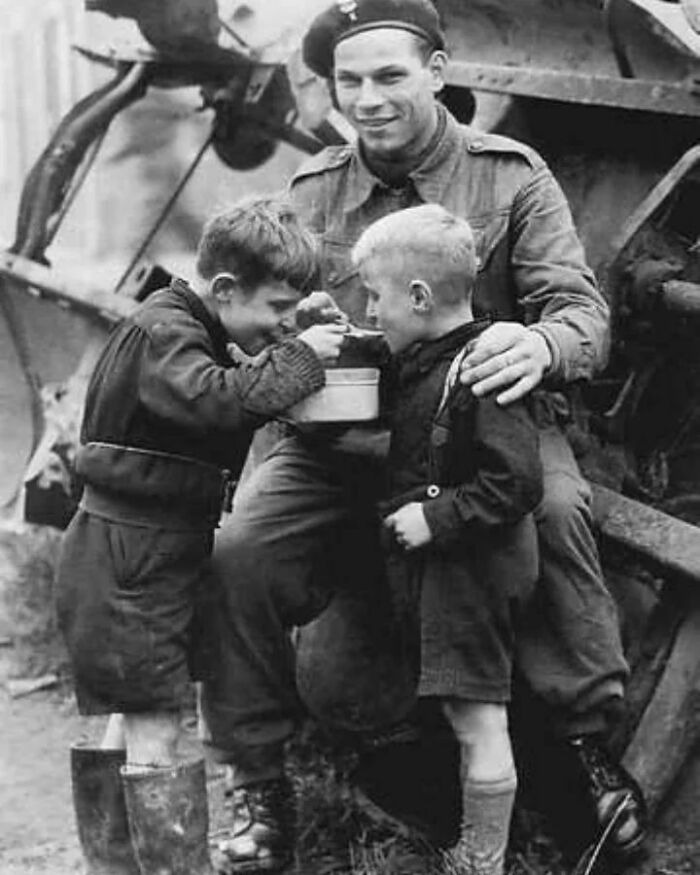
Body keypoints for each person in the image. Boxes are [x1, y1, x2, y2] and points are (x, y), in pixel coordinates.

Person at [204, 0, 646, 870]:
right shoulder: (312, 190)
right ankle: (260, 781)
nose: (367, 99)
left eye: (390, 76)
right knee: (240, 548)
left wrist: (540, 341)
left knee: (555, 509)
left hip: (482, 421)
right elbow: (260, 316)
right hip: (344, 436)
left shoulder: (511, 178)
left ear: (438, 73)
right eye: (348, 82)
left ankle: (585, 744)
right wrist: (298, 328)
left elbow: (581, 312)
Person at [55, 196, 347, 875]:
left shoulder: (189, 327)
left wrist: (290, 332)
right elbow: (219, 399)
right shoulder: (167, 333)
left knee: (132, 714)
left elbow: (227, 375)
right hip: (130, 555)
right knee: (158, 724)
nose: (281, 323)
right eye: (276, 306)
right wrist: (302, 356)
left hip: (134, 549)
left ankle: (118, 867)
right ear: (222, 289)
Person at [357, 204, 542, 875]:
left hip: (473, 567)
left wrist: (436, 518)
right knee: (465, 712)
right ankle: (474, 846)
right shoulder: (429, 353)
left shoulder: (482, 368)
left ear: (417, 296)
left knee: (478, 717)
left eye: (373, 296)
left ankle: (480, 860)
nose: (369, 311)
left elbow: (517, 482)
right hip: (453, 569)